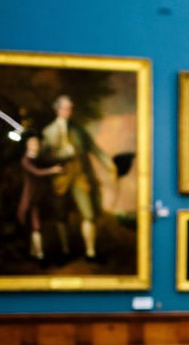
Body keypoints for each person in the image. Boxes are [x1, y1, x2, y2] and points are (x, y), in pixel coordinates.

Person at [41, 94, 116, 261]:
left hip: (80, 177)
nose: (69, 111)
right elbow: (44, 157)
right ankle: (65, 250)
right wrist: (62, 154)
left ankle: (90, 251)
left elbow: (94, 149)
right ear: (58, 110)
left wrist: (109, 164)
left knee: (88, 214)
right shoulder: (49, 131)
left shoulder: (78, 131)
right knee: (61, 217)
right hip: (60, 179)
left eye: (71, 108)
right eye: (66, 108)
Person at [16, 132, 62, 261]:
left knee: (38, 225)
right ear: (27, 145)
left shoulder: (40, 159)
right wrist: (52, 170)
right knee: (35, 226)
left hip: (41, 197)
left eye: (37, 143)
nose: (35, 145)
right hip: (31, 197)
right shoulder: (26, 160)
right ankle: (40, 255)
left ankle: (35, 252)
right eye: (32, 143)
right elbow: (37, 172)